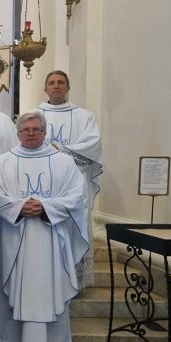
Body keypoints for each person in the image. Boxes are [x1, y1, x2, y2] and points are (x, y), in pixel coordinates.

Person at [0, 112, 88, 342]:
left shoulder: (63, 162)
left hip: (50, 239)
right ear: (18, 133)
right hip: (15, 238)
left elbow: (77, 196)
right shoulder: (3, 162)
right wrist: (18, 208)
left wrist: (45, 208)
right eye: (26, 130)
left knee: (49, 288)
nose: (31, 133)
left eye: (36, 129)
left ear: (45, 133)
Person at [38, 70, 102, 289]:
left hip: (76, 180)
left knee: (75, 226)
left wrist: (61, 151)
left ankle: (75, 281)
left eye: (61, 83)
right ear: (45, 88)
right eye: (52, 83)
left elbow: (91, 146)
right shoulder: (34, 114)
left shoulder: (84, 116)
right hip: (44, 182)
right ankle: (47, 278)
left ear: (67, 87)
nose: (56, 86)